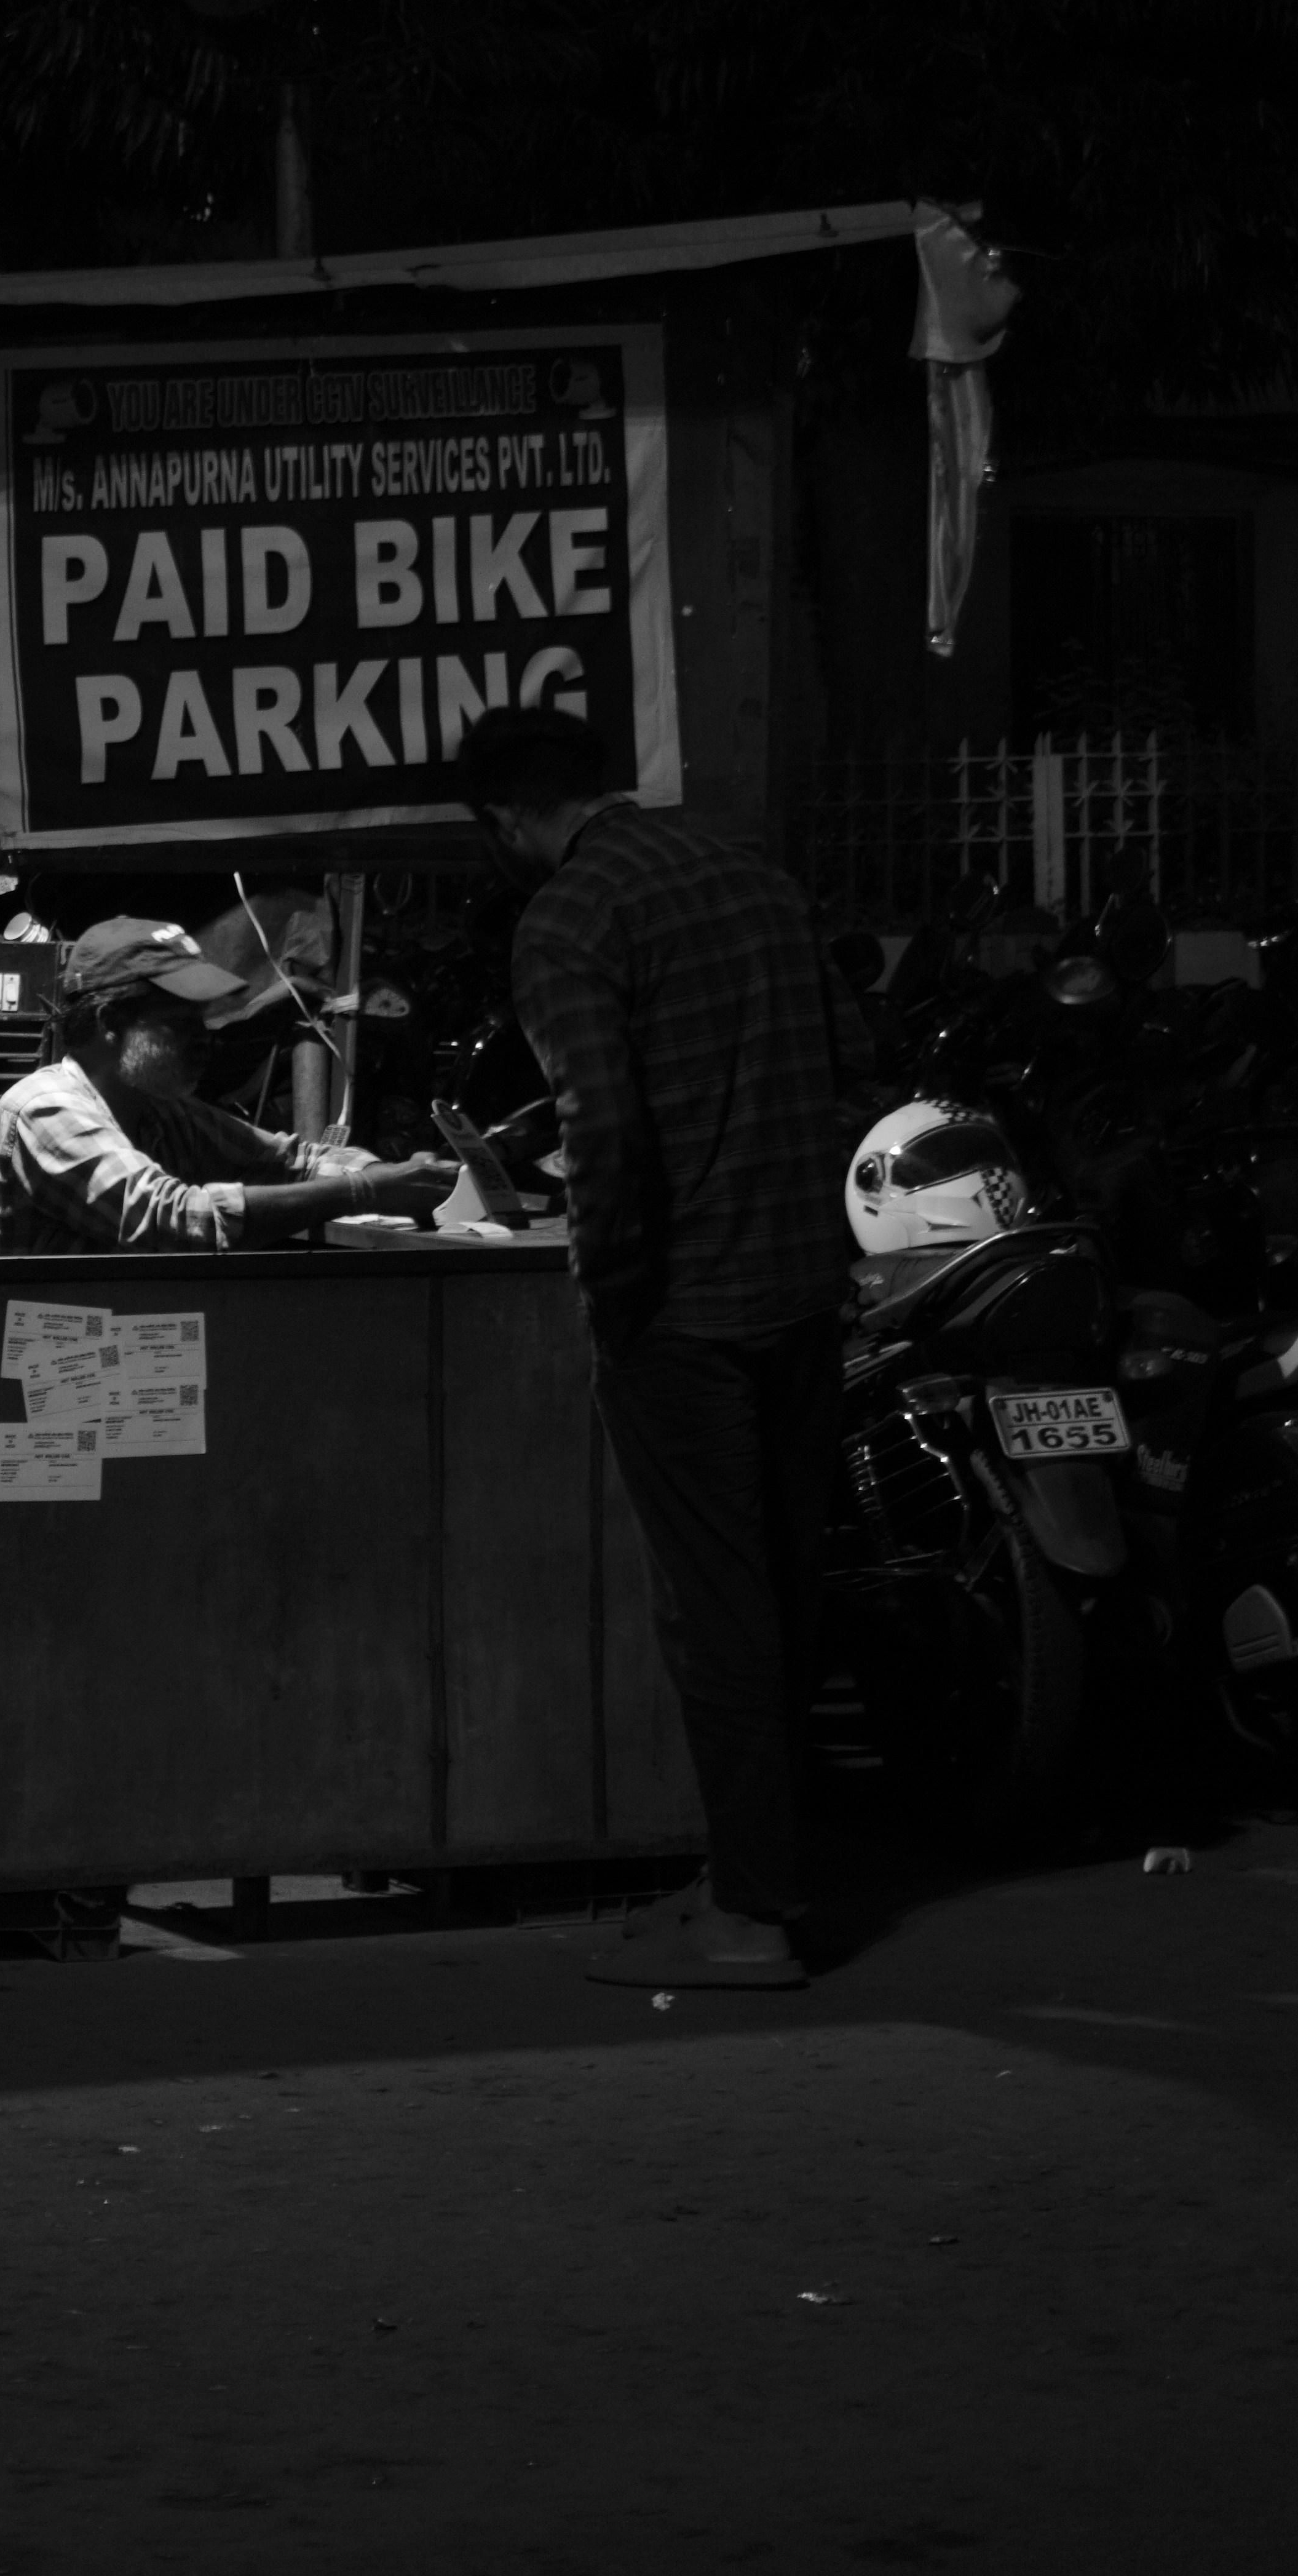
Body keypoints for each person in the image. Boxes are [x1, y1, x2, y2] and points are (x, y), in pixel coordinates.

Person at [452, 708, 850, 1991]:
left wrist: (606, 1294)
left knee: (715, 1614)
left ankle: (752, 1915)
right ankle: (761, 1874)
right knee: (785, 1594)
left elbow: (603, 1132)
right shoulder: (746, 871)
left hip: (683, 1317)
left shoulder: (567, 921)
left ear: (511, 821)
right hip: (797, 1293)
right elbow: (844, 1063)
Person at [0, 915, 456, 1257]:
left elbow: (294, 1161)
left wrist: (396, 1177)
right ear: (111, 1021)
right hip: (34, 1371)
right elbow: (176, 1221)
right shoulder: (45, 1109)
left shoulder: (160, 1112)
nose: (205, 1039)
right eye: (181, 1022)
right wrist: (363, 1191)